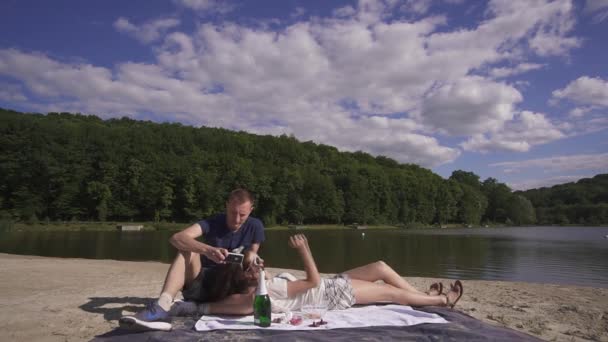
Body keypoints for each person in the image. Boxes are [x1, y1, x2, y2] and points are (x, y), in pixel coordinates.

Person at [190, 234, 463, 317]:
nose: (260, 264)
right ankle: (442, 302)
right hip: (331, 292)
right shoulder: (264, 292)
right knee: (391, 293)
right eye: (253, 265)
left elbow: (217, 305)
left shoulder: (255, 288)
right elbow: (313, 281)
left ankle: (421, 296)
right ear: (248, 276)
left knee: (380, 266)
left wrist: (192, 307)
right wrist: (305, 249)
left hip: (332, 284)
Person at [119, 188, 265, 331]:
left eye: (242, 214)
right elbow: (176, 238)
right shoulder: (213, 222)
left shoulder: (255, 226)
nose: (237, 219)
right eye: (233, 213)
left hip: (231, 288)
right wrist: (207, 250)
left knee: (257, 300)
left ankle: (199, 308)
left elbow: (252, 255)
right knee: (187, 249)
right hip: (202, 283)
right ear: (226, 205)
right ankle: (162, 305)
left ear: (251, 210)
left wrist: (254, 266)